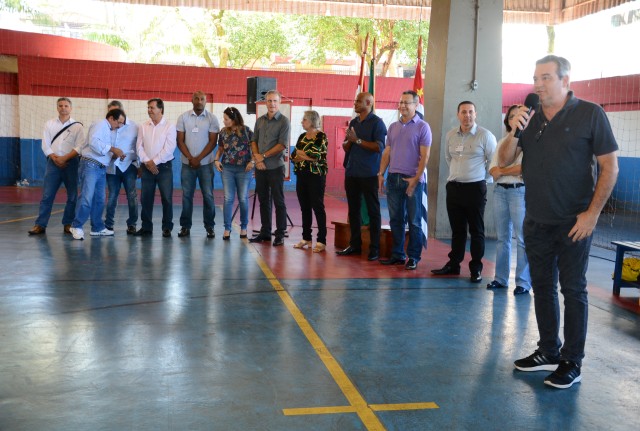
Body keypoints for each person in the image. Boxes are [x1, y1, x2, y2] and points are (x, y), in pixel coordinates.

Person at [503, 55, 619, 389]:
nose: (538, 84)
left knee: (573, 289)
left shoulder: (590, 114)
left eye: (546, 78)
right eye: (535, 78)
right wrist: (514, 131)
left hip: (574, 222)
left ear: (565, 80)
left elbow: (610, 167)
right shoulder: (530, 118)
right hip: (536, 221)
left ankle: (572, 360)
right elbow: (505, 159)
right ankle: (548, 350)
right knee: (541, 287)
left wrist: (592, 214)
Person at [431, 101, 496, 283]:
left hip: (475, 189)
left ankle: (476, 268)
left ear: (475, 114)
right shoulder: (451, 135)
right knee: (458, 230)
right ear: (458, 114)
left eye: (470, 112)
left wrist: (480, 180)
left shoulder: (485, 136)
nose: (467, 115)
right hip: (454, 188)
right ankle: (454, 264)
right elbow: (448, 158)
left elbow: (493, 162)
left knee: (476, 230)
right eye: (464, 112)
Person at [378, 91, 431, 270]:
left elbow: (425, 156)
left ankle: (414, 257)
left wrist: (416, 179)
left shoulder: (423, 127)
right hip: (393, 179)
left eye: (407, 103)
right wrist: (381, 174)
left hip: (412, 180)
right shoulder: (393, 127)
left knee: (414, 221)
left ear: (416, 105)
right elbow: (387, 151)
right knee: (395, 219)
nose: (402, 106)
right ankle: (398, 254)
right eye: (401, 102)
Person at [336, 92, 387, 261]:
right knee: (353, 210)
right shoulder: (354, 122)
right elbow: (346, 146)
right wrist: (349, 141)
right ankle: (355, 245)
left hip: (369, 173)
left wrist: (357, 140)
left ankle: (374, 248)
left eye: (359, 101)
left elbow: (379, 147)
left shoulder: (377, 123)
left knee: (373, 211)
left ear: (369, 103)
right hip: (352, 172)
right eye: (355, 100)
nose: (355, 103)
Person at [486, 105, 531, 295]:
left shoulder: (530, 141)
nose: (516, 119)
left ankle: (523, 282)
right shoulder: (503, 142)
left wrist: (502, 171)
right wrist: (503, 171)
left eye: (519, 116)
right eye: (512, 116)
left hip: (519, 191)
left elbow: (523, 169)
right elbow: (492, 168)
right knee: (502, 238)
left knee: (522, 239)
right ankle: (500, 279)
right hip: (500, 192)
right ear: (508, 121)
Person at [28, 97, 84, 235]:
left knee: (72, 196)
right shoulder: (49, 124)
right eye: (60, 105)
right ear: (57, 107)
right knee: (47, 195)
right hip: (53, 163)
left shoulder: (77, 126)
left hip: (71, 163)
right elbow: (45, 144)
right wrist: (55, 158)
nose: (63, 108)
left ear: (71, 108)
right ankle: (40, 224)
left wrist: (65, 158)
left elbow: (80, 146)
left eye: (66, 105)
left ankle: (68, 223)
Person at [69, 109, 126, 240]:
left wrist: (114, 155)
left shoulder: (109, 130)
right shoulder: (100, 124)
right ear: (111, 118)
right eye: (119, 122)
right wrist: (113, 149)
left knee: (99, 199)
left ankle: (97, 227)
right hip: (90, 165)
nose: (119, 126)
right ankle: (76, 226)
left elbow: (102, 150)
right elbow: (94, 142)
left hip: (101, 168)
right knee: (87, 197)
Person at [249, 90, 290, 247]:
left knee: (278, 201)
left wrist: (263, 156)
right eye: (269, 101)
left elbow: (282, 145)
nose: (272, 104)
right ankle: (265, 232)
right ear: (265, 103)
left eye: (275, 101)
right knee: (263, 200)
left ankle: (280, 234)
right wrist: (257, 158)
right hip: (260, 167)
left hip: (275, 168)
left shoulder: (284, 121)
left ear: (279, 102)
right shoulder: (260, 121)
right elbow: (253, 141)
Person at [176, 91, 220, 238]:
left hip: (206, 164)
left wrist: (198, 159)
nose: (199, 101)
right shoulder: (183, 117)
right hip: (187, 164)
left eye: (202, 99)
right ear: (192, 100)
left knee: (208, 195)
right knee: (186, 196)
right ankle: (185, 227)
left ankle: (210, 227)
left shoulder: (212, 118)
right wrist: (190, 158)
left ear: (206, 101)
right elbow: (179, 141)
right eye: (197, 99)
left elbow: (213, 142)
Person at [135, 98, 177, 238]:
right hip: (146, 167)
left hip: (164, 167)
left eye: (152, 107)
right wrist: (147, 161)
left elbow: (169, 148)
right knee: (146, 198)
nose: (149, 110)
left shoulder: (170, 126)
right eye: (148, 107)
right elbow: (139, 146)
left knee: (167, 198)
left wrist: (154, 162)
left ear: (161, 109)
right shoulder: (143, 126)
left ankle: (167, 227)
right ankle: (146, 227)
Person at [213, 107, 254, 240]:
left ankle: (244, 227)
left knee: (243, 198)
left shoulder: (247, 131)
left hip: (244, 169)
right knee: (228, 198)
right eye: (224, 119)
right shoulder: (223, 132)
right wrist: (216, 160)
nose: (224, 121)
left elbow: (255, 148)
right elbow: (220, 148)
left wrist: (252, 162)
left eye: (226, 119)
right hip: (227, 169)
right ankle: (227, 228)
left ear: (234, 119)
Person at [291, 110, 328, 253]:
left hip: (316, 176)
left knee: (317, 207)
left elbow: (316, 155)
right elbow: (294, 155)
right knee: (304, 207)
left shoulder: (321, 136)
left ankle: (321, 240)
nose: (302, 122)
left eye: (304, 119)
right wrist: (305, 156)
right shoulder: (302, 136)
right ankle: (306, 237)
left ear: (312, 121)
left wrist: (303, 155)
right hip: (301, 175)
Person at [103, 100, 139, 235]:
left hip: (129, 166)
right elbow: (102, 145)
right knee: (112, 195)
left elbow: (139, 146)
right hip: (112, 166)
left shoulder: (134, 126)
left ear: (122, 111)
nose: (113, 114)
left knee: (132, 195)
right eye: (110, 112)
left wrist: (139, 165)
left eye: (116, 111)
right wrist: (111, 155)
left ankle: (132, 224)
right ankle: (109, 224)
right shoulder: (105, 127)